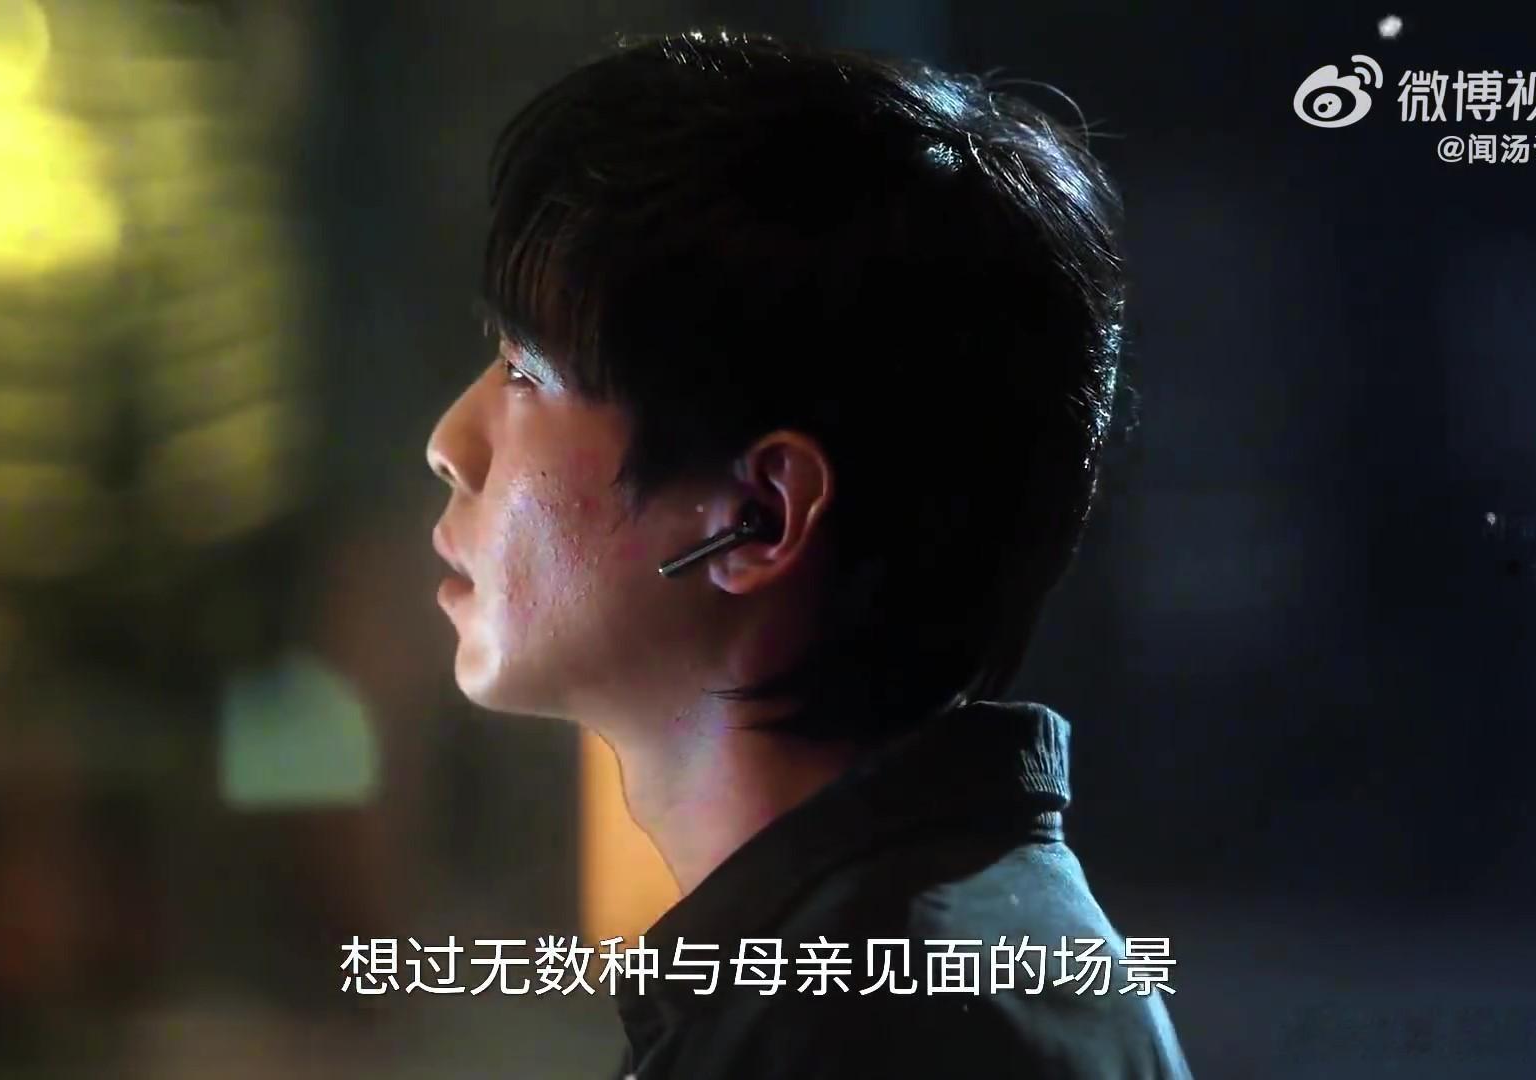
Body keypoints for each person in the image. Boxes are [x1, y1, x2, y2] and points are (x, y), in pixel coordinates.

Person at [425, 29, 1191, 1079]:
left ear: (761, 514)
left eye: (527, 373)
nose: (450, 444)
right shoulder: (904, 963)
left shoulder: (879, 1029)